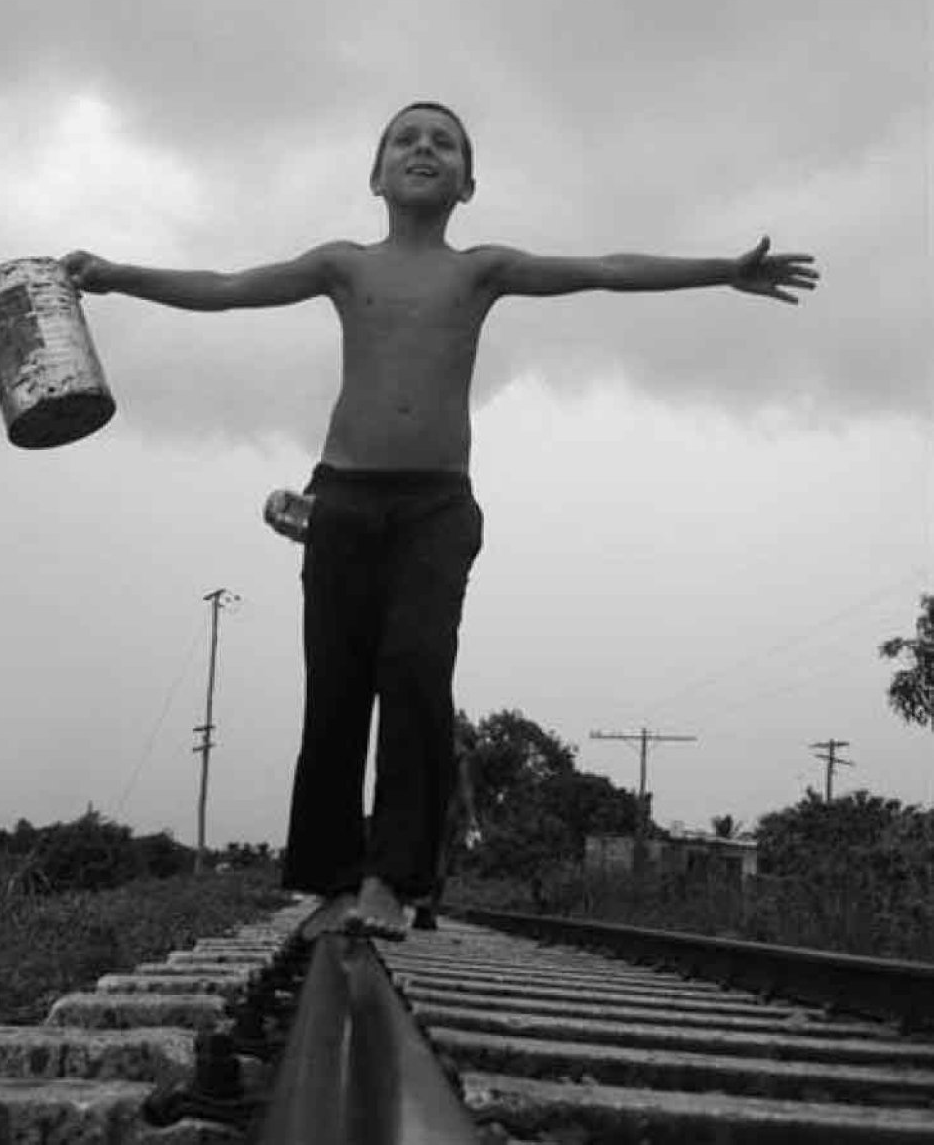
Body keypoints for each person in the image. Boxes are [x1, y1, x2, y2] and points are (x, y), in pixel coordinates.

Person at [61, 99, 819, 941]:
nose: (424, 148)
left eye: (444, 142)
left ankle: (395, 877)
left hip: (436, 507)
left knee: (416, 675)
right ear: (376, 174)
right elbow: (230, 288)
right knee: (338, 690)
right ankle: (332, 881)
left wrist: (722, 269)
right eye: (406, 139)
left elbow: (604, 266)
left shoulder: (480, 270)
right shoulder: (343, 265)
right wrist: (118, 274)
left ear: (467, 182)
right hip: (343, 498)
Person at [412, 715, 480, 931]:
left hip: (423, 807)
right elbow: (465, 787)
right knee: (440, 858)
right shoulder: (460, 753)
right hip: (447, 811)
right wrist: (471, 817)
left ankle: (419, 904)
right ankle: (430, 910)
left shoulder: (430, 744)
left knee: (422, 856)